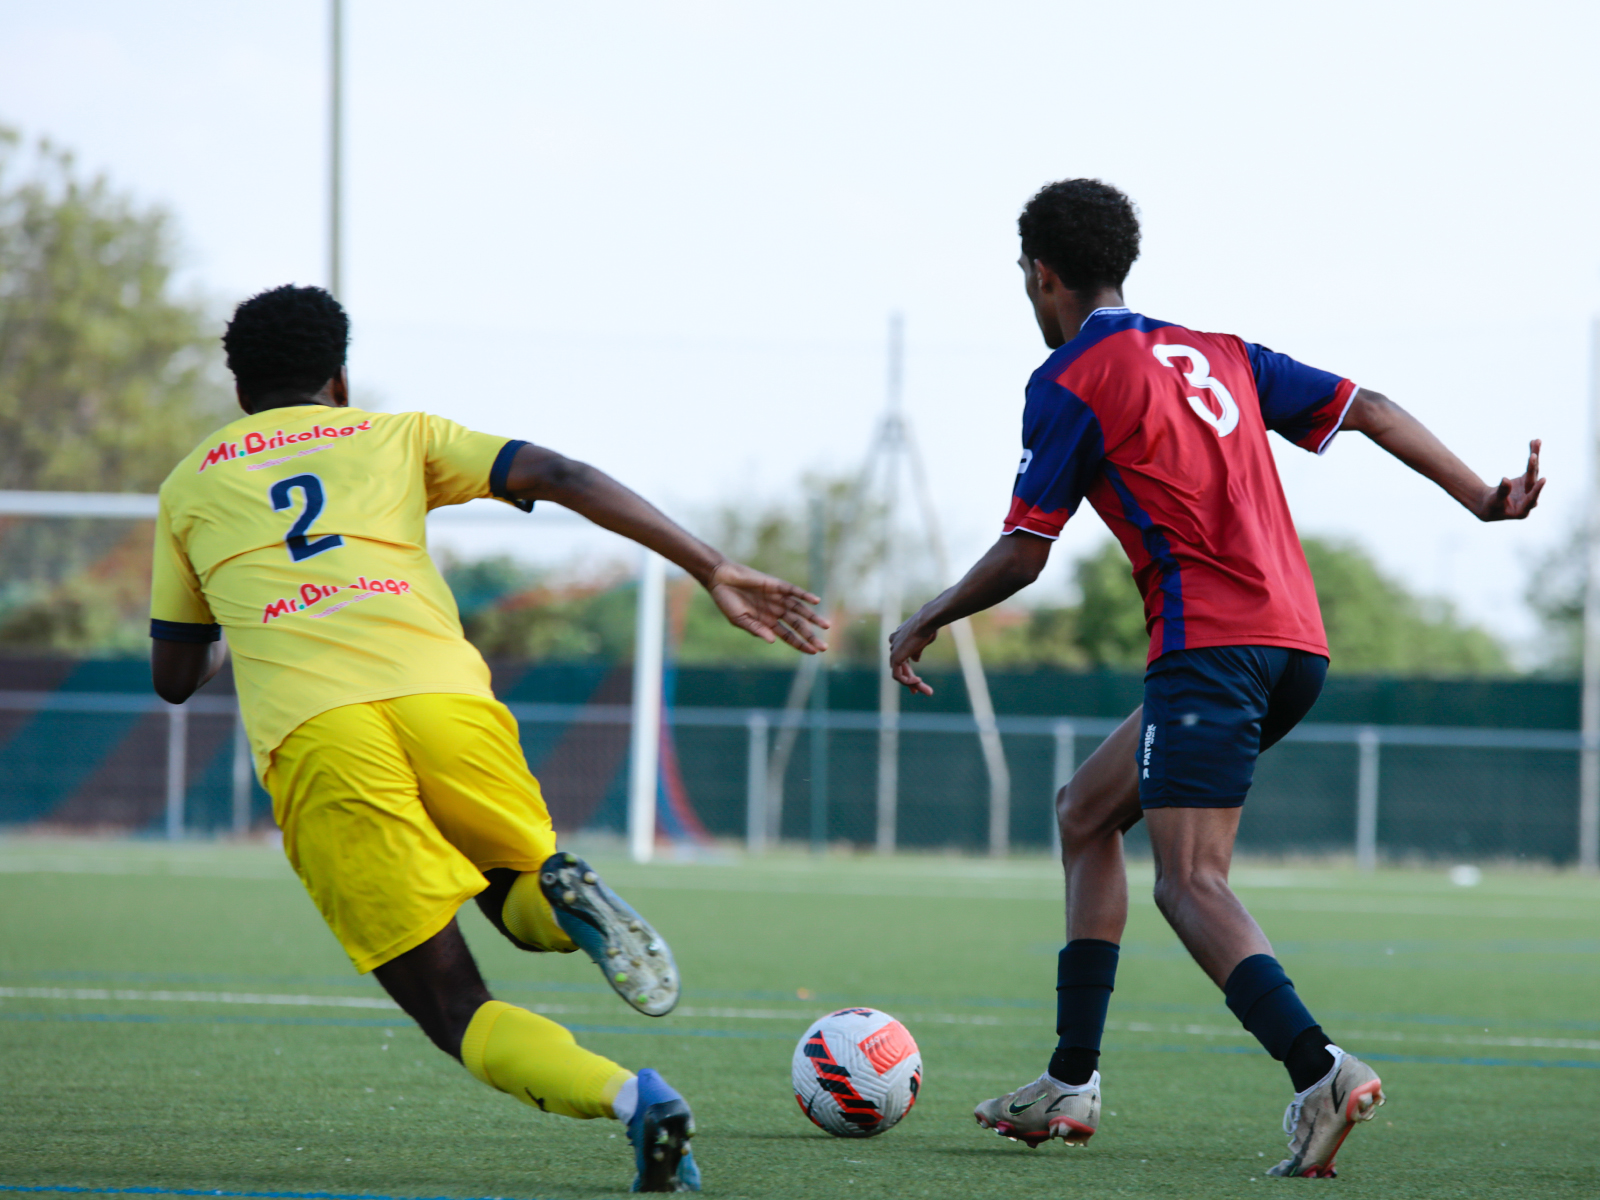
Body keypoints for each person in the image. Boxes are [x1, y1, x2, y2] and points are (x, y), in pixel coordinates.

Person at [887, 180, 1543, 1178]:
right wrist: (1483, 498)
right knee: (1083, 811)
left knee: (1190, 882)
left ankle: (1316, 1068)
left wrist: (925, 617)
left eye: (1025, 276)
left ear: (1041, 272)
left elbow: (1026, 552)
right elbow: (1362, 407)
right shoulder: (1219, 352)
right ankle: (1069, 1080)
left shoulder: (1068, 378)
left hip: (1209, 649)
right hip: (1296, 645)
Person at [149, 284, 829, 1194]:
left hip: (319, 735)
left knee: (452, 1004)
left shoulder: (189, 486)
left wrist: (258, 609)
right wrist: (712, 565)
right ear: (338, 377)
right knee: (516, 888)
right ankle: (560, 896)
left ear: (238, 390)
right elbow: (562, 475)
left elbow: (174, 678)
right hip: (443, 699)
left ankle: (636, 1100)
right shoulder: (397, 435)